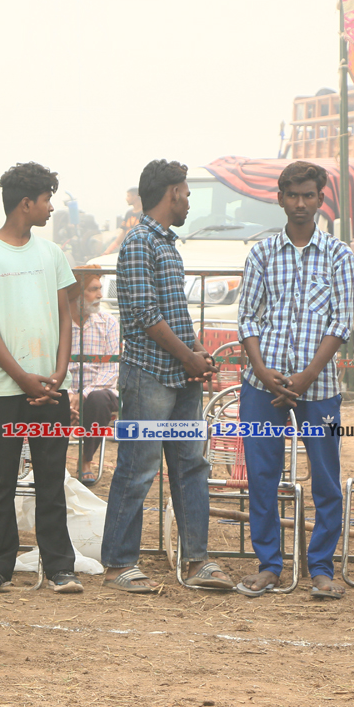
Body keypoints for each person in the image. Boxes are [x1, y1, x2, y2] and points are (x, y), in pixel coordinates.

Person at [100, 159, 233, 593]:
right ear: (173, 193)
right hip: (149, 374)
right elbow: (145, 314)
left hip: (176, 375)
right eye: (187, 194)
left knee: (190, 466)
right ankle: (119, 564)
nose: (189, 202)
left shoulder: (163, 244)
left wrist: (197, 352)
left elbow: (173, 313)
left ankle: (197, 561)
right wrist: (189, 357)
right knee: (138, 468)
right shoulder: (140, 242)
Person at [0, 162, 83, 596]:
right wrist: (22, 377)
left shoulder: (51, 254)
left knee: (52, 480)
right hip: (2, 389)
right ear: (26, 203)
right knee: (2, 482)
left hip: (50, 387)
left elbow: (65, 316)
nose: (51, 208)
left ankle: (60, 567)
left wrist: (58, 373)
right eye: (47, 199)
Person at [235, 161, 354, 600]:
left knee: (325, 478)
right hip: (261, 386)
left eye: (308, 195)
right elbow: (247, 317)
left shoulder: (339, 255)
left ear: (321, 199)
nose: (300, 203)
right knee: (261, 475)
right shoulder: (262, 253)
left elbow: (341, 322)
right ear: (280, 199)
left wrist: (307, 377)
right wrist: (262, 371)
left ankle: (320, 568)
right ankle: (269, 565)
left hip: (318, 389)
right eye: (293, 195)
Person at [68, 272, 119, 486]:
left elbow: (111, 368)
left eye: (100, 289)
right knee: (54, 400)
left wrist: (83, 394)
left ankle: (86, 461)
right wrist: (69, 394)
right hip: (65, 388)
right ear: (76, 294)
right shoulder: (59, 323)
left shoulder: (108, 322)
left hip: (100, 390)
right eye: (93, 289)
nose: (100, 295)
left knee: (97, 399)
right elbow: (51, 364)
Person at [102, 186, 143, 256]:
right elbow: (123, 234)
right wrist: (108, 251)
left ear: (135, 196)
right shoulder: (129, 213)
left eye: (128, 196)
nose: (126, 199)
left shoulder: (146, 213)